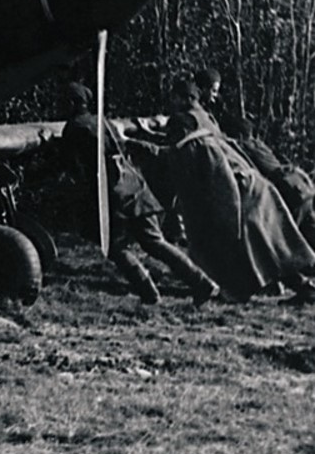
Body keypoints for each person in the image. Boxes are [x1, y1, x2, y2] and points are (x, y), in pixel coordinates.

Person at [58, 82, 219, 306]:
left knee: (115, 246)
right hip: (134, 185)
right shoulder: (103, 121)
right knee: (156, 242)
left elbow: (69, 165)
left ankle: (148, 291)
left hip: (112, 194)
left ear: (72, 103)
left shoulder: (74, 127)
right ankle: (201, 282)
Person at [164, 79, 315, 305]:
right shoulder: (206, 126)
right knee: (270, 247)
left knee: (258, 247)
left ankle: (241, 290)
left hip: (242, 193)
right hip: (252, 188)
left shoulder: (202, 147)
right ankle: (303, 287)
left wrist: (230, 219)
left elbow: (222, 179)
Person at [221, 116, 315, 248]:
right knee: (308, 230)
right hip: (300, 186)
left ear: (240, 136)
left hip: (288, 189)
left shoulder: (245, 146)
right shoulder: (259, 143)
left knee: (289, 239)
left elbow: (228, 143)